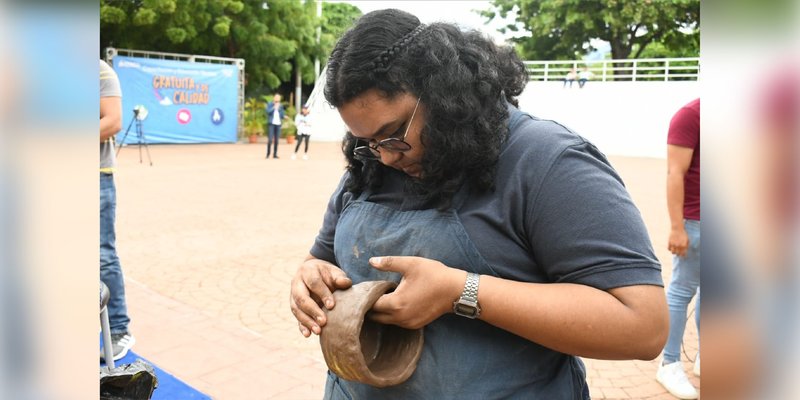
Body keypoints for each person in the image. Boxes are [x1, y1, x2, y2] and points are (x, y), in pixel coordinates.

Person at [289, 9, 668, 399]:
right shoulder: (371, 161)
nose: (386, 158)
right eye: (367, 141)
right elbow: (320, 259)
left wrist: (462, 291)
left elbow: (642, 326)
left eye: (393, 134)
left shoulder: (546, 162)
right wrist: (309, 278)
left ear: (441, 92)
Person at [655, 98, 700, 400]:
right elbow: (675, 173)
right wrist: (676, 227)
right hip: (696, 220)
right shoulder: (691, 115)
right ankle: (669, 363)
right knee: (682, 290)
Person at [99, 59, 135, 361]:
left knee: (102, 254)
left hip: (95, 176)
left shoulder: (100, 72)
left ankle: (119, 329)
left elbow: (113, 121)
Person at [265, 93, 285, 159]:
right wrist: (274, 107)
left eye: (278, 98)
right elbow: (268, 112)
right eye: (276, 97)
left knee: (277, 140)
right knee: (270, 140)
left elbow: (282, 114)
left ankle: (275, 154)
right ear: (274, 98)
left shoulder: (281, 105)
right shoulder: (270, 104)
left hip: (278, 124)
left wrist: (284, 116)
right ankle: (268, 154)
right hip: (271, 124)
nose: (277, 99)